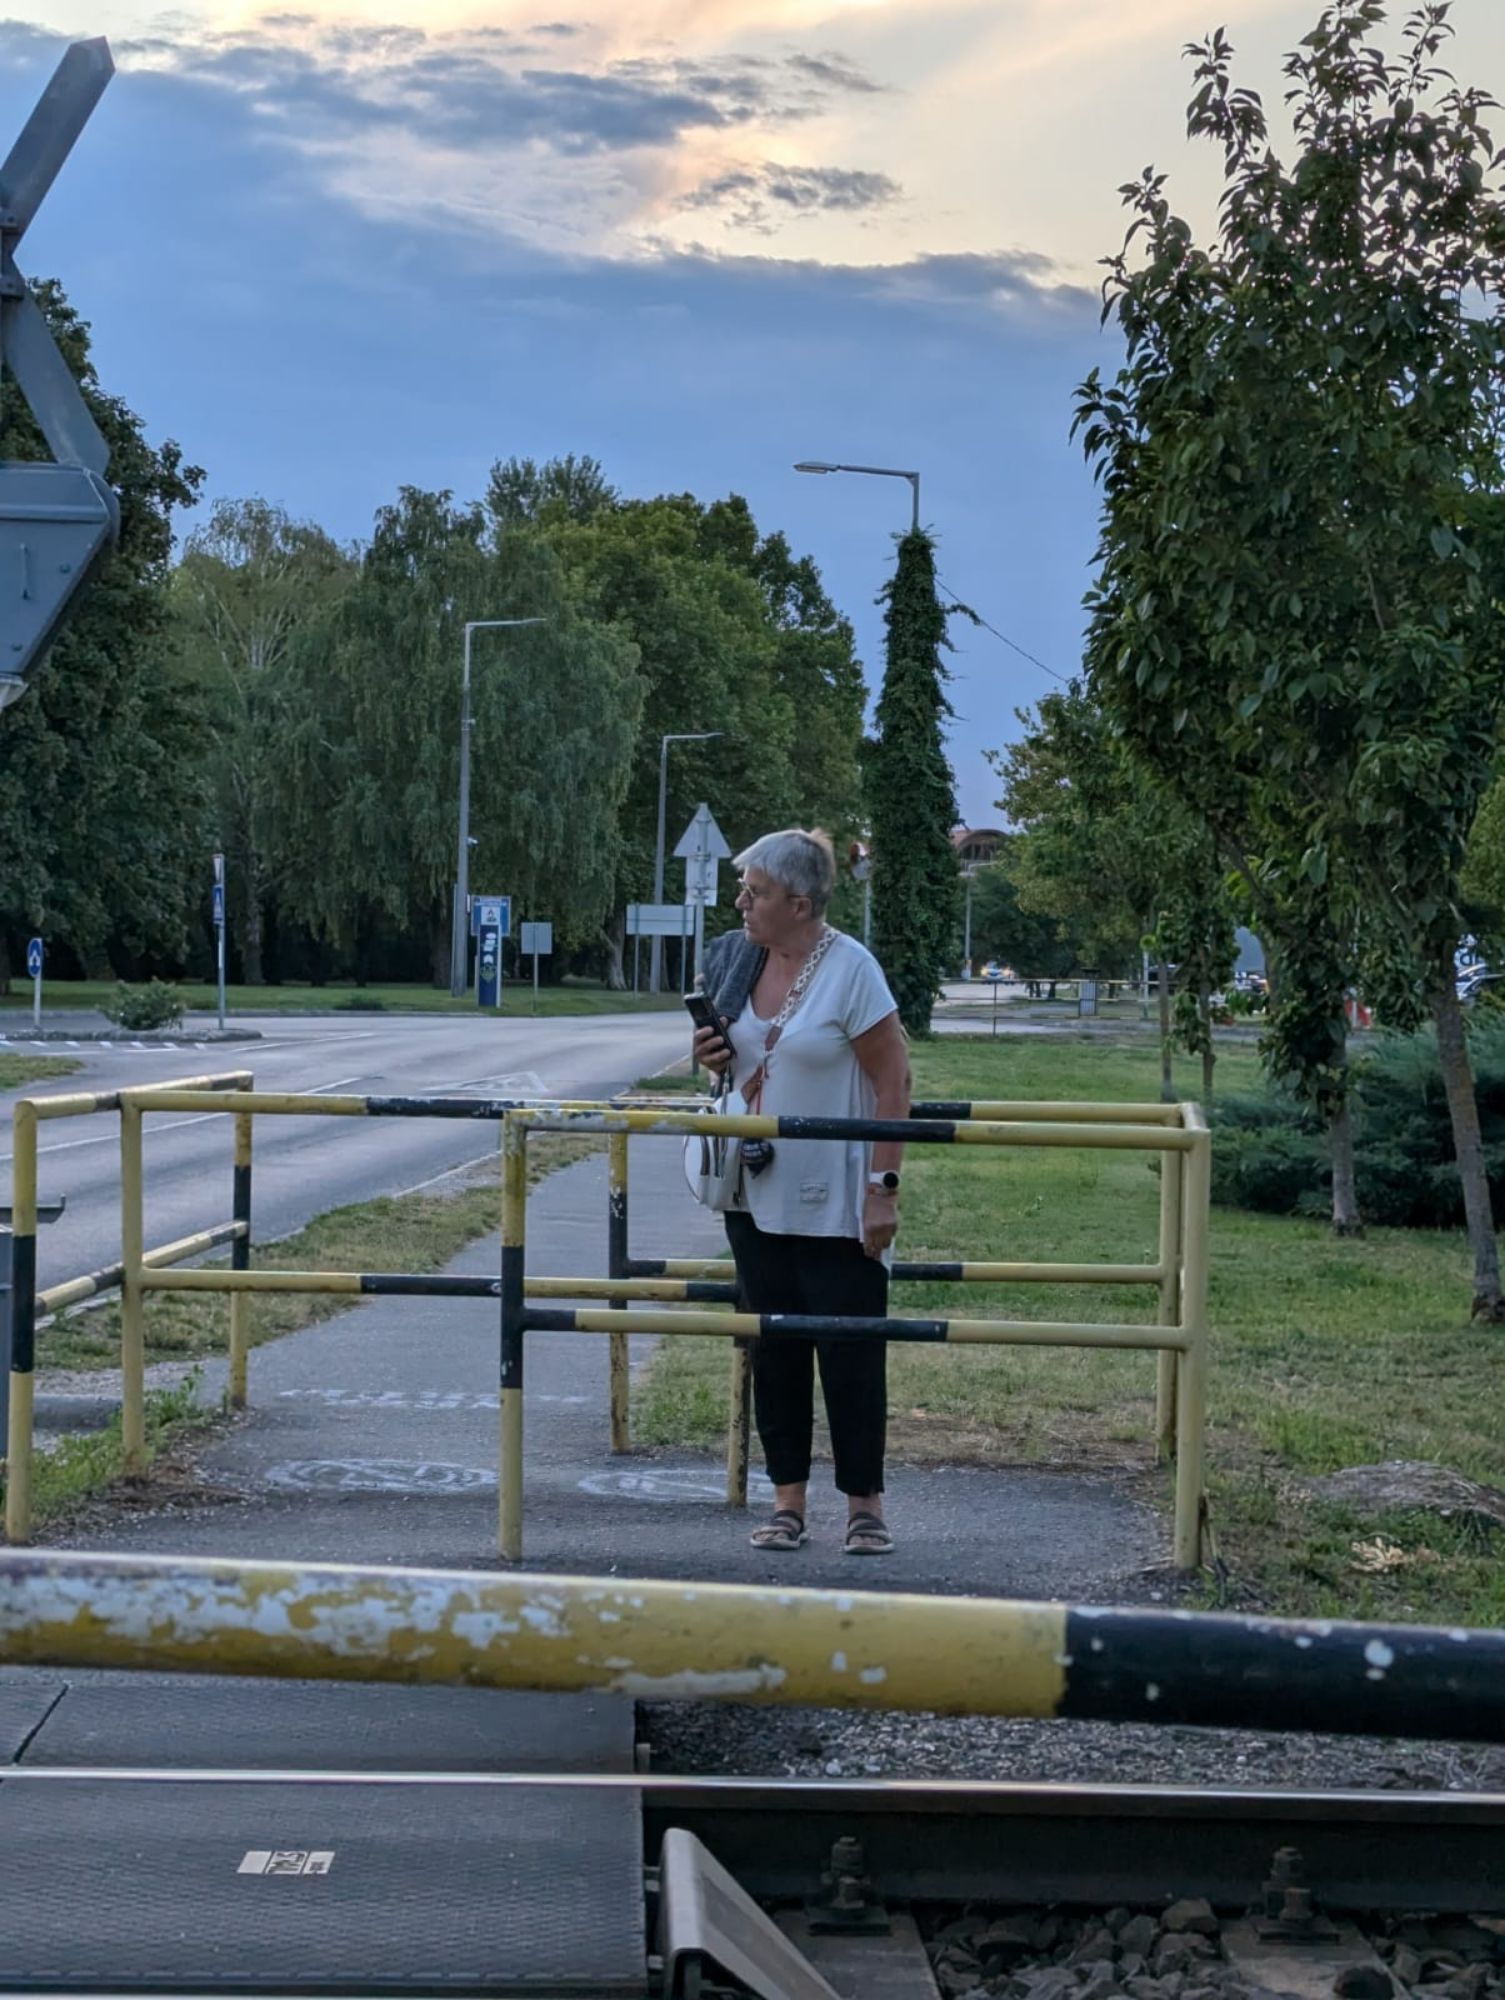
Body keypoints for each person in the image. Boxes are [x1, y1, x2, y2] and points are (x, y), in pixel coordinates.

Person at [691, 827, 911, 1555]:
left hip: (838, 1200)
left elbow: (894, 1082)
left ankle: (864, 1508)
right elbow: (734, 1067)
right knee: (775, 1352)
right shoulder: (739, 959)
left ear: (800, 903)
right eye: (743, 889)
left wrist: (882, 1188)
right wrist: (710, 1056)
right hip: (754, 1194)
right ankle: (787, 1502)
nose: (740, 903)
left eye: (754, 892)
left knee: (851, 1356)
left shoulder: (851, 969)